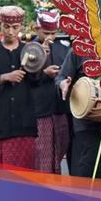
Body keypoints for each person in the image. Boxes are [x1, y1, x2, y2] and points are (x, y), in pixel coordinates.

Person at [0, 6, 44, 168]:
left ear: (21, 26)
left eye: (15, 27)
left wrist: (39, 62)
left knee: (21, 179)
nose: (10, 32)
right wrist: (4, 77)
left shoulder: (28, 50)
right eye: (6, 26)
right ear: (0, 24)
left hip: (23, 126)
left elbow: (37, 81)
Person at [55, 48, 101, 178]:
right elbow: (61, 77)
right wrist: (63, 84)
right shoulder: (78, 50)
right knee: (87, 166)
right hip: (86, 121)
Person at [31, 10, 70, 173]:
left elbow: (69, 72)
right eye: (46, 33)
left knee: (60, 149)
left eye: (53, 33)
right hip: (40, 111)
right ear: (36, 29)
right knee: (42, 155)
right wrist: (43, 72)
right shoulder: (28, 50)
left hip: (60, 109)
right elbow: (25, 79)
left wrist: (66, 79)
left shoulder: (63, 49)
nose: (50, 37)